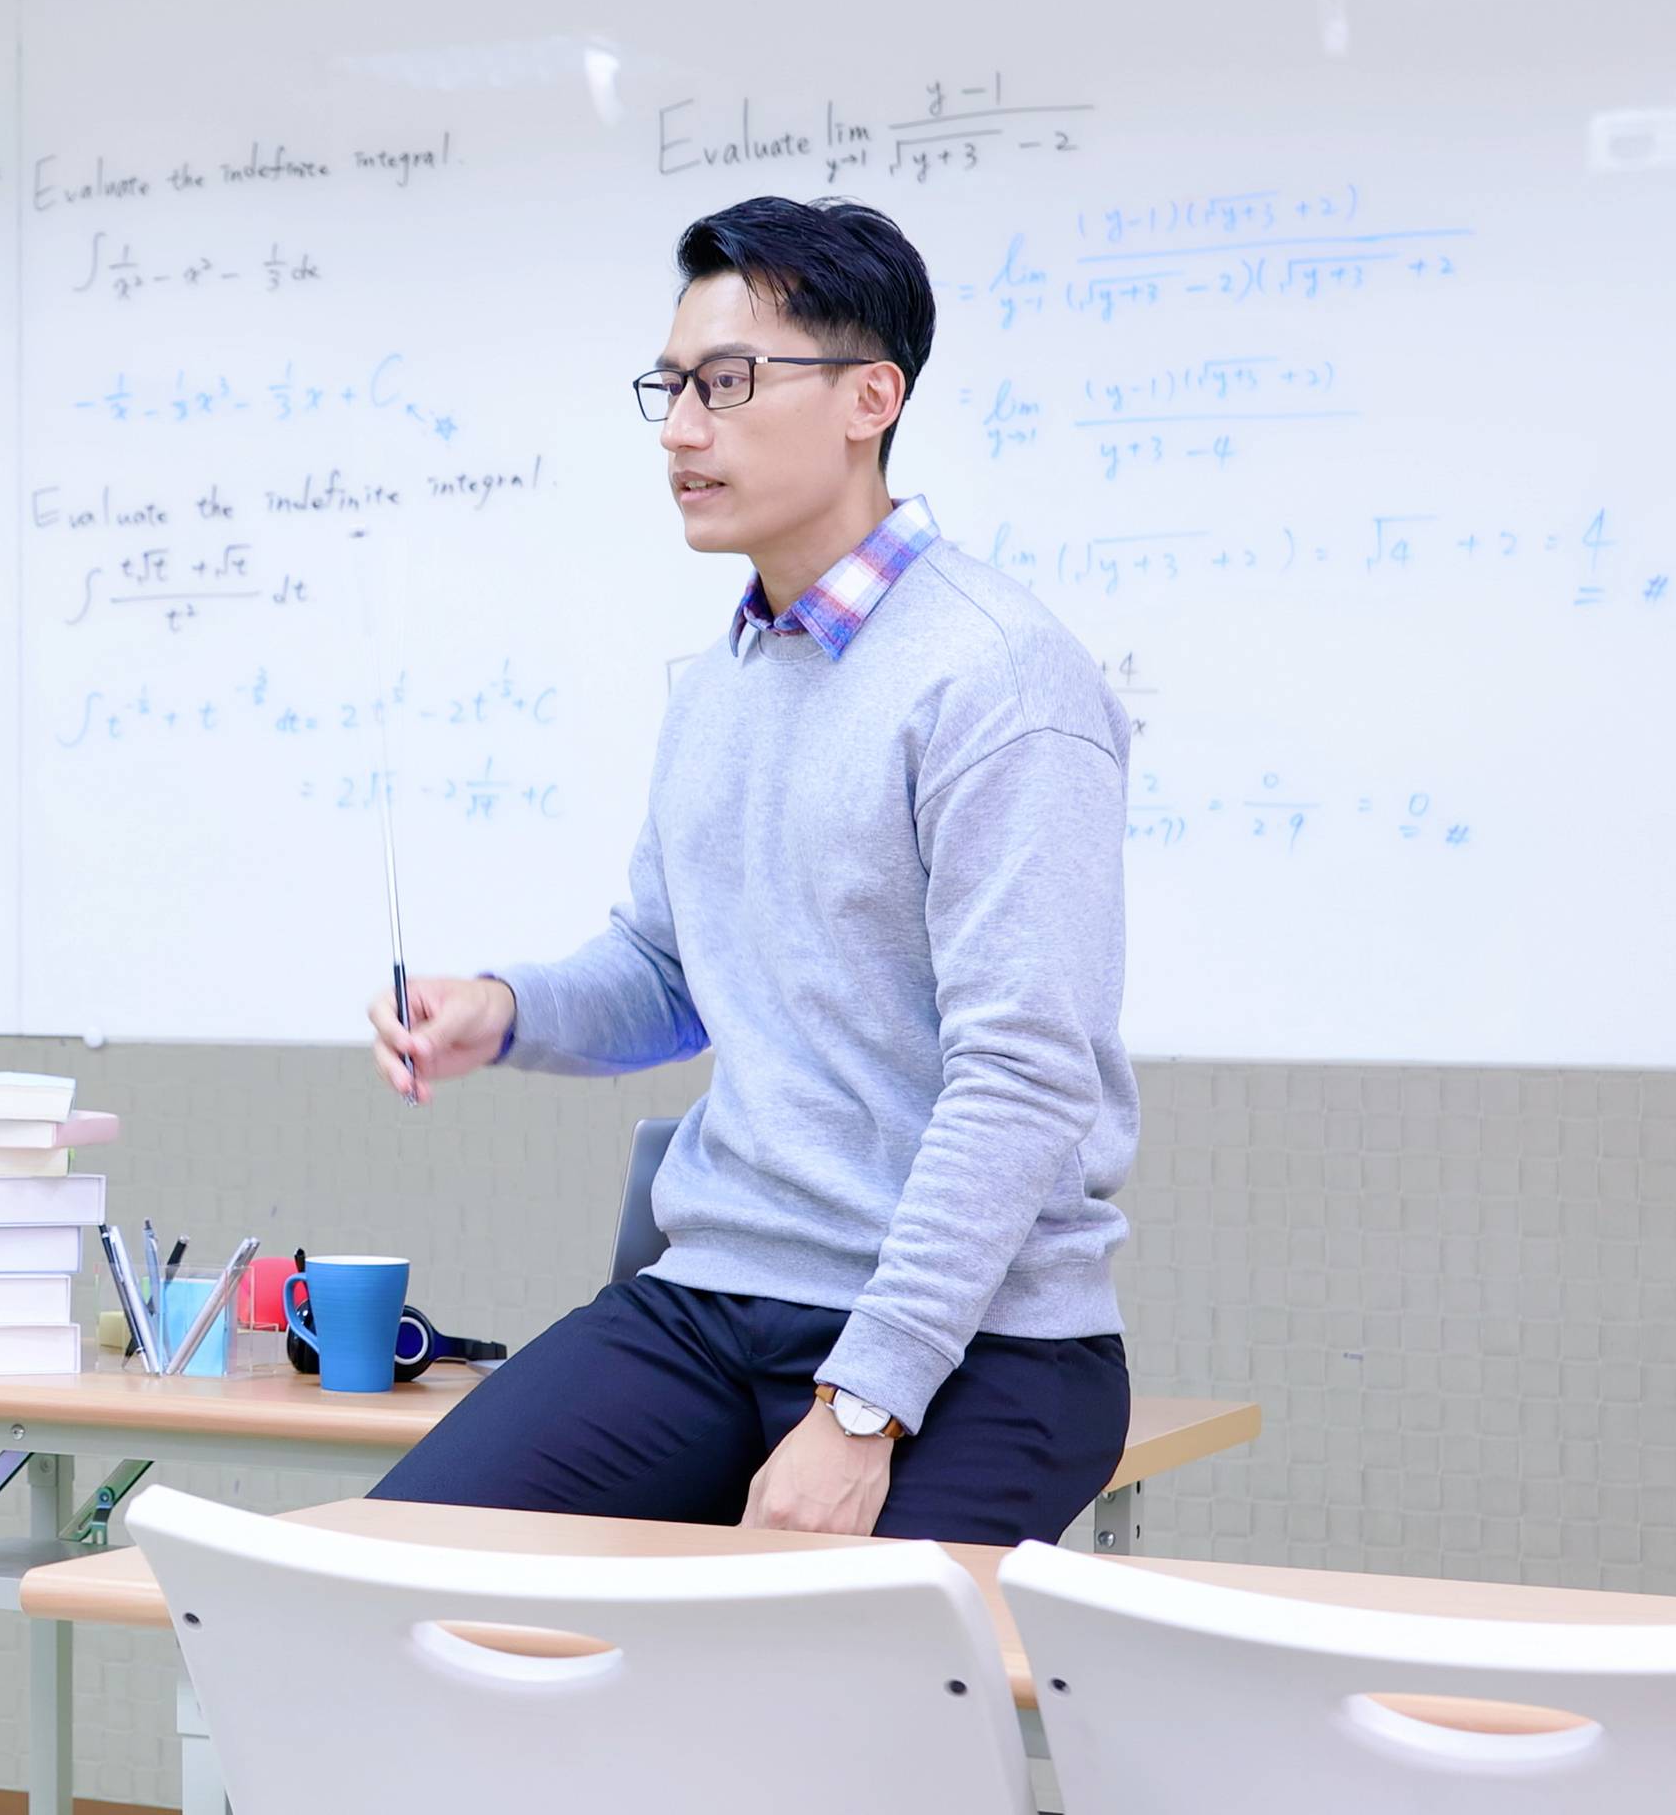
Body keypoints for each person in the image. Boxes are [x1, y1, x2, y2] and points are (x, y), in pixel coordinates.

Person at [364, 195, 1137, 1546]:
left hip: (980, 1342)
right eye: (671, 387)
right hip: (716, 1295)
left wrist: (859, 1409)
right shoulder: (723, 680)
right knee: (389, 1575)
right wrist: (508, 1006)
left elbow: (1024, 1075)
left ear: (869, 398)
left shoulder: (1000, 679)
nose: (678, 429)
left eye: (727, 384)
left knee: (812, 1691)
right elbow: (671, 970)